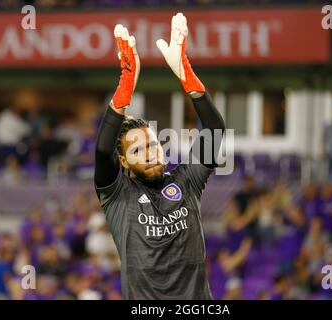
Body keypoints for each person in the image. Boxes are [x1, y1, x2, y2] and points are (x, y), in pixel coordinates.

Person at [94, 13, 225, 299]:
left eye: (152, 145)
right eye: (137, 150)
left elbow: (214, 129)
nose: (150, 153)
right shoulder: (117, 195)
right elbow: (103, 149)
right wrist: (127, 83)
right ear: (125, 162)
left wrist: (185, 72)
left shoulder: (187, 181)